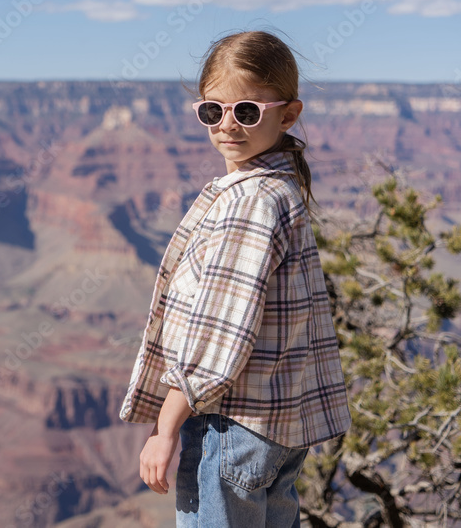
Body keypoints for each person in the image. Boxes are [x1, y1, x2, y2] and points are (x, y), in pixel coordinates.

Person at [118, 30, 351, 526]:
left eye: (247, 111)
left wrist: (166, 429)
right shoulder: (280, 189)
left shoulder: (250, 203)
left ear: (288, 115)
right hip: (276, 428)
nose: (228, 124)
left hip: (231, 429)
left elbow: (221, 337)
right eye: (212, 110)